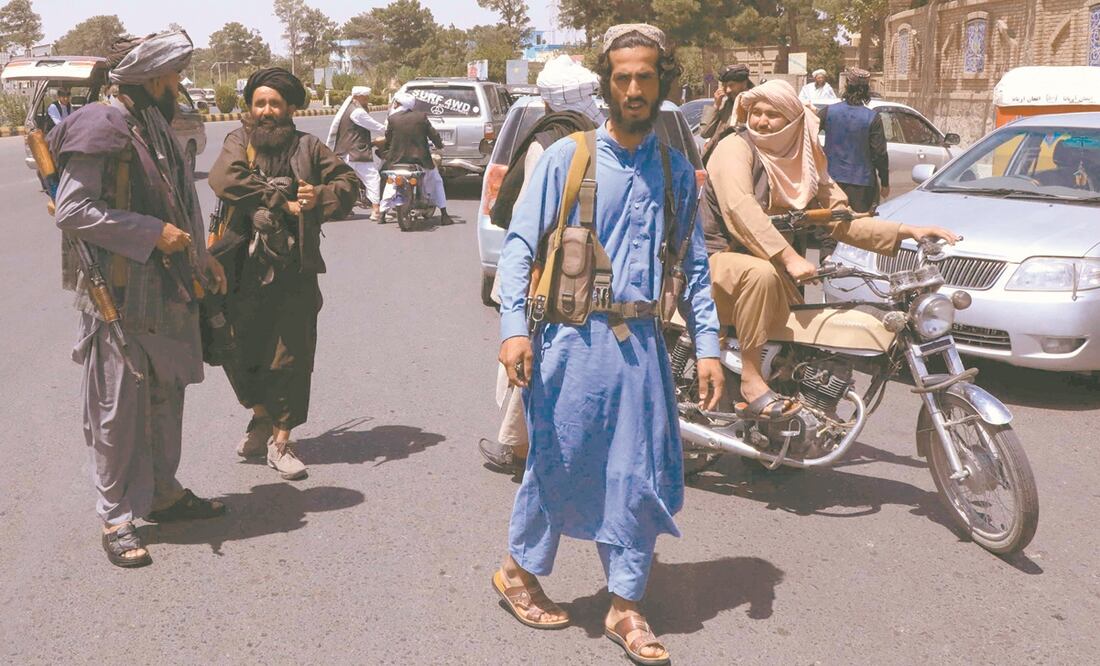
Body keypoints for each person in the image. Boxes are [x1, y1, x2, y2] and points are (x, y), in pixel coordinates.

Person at [494, 24, 724, 666]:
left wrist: (709, 344)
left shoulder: (676, 171)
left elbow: (694, 265)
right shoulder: (568, 158)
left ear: (662, 83)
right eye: (622, 78)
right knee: (558, 460)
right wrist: (513, 329)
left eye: (645, 76)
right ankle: (518, 571)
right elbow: (519, 245)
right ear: (607, 86)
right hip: (570, 342)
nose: (633, 88)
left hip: (643, 345)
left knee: (635, 472)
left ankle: (626, 604)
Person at [50, 30, 229, 569]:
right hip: (120, 294)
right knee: (116, 411)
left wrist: (201, 255)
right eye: (174, 75)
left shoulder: (150, 123)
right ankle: (116, 517)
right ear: (152, 79)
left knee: (165, 396)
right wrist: (152, 233)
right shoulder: (102, 124)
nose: (179, 84)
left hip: (168, 290)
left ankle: (164, 494)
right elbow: (73, 211)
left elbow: (178, 197)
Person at [703, 80, 957, 419]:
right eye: (756, 113)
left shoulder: (805, 161)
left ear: (793, 120)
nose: (761, 121)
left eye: (772, 114)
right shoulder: (734, 147)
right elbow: (741, 210)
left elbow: (842, 220)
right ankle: (751, 377)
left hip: (775, 270)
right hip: (714, 260)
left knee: (811, 337)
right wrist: (790, 258)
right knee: (760, 273)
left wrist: (907, 231)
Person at [209, 67, 359, 480]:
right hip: (240, 269)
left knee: (290, 357)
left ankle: (281, 440)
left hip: (293, 270)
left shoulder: (308, 146)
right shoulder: (238, 140)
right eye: (260, 103)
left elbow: (349, 183)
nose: (267, 111)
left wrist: (316, 196)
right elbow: (225, 178)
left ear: (290, 108)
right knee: (238, 349)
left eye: (275, 103)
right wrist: (281, 200)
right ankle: (260, 417)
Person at [477, 54, 604, 474]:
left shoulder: (546, 143)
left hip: (547, 271)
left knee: (529, 357)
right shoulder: (601, 135)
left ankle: (518, 449)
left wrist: (529, 277)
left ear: (547, 102)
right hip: (587, 269)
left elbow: (528, 221)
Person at [818, 68, 889, 214]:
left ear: (847, 85)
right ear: (866, 89)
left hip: (831, 183)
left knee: (830, 223)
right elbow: (879, 154)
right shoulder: (872, 118)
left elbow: (808, 135)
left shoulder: (828, 112)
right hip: (862, 185)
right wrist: (885, 182)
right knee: (860, 223)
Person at [379, 92, 453, 225]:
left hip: (397, 160)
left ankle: (382, 215)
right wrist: (439, 145)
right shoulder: (421, 117)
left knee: (391, 183)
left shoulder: (393, 119)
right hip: (421, 160)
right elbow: (433, 134)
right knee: (436, 181)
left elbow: (388, 139)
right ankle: (444, 214)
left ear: (398, 104)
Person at [329, 85, 386, 221]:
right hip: (356, 153)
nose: (367, 100)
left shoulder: (349, 109)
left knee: (348, 182)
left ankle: (344, 209)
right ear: (357, 97)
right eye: (365, 98)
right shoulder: (357, 112)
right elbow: (376, 126)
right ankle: (376, 210)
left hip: (345, 152)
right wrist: (392, 130)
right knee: (373, 179)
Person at [700, 63, 754, 155]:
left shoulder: (755, 105)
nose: (728, 90)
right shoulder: (726, 105)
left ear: (744, 83)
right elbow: (704, 133)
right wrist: (716, 106)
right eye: (724, 86)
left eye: (731, 85)